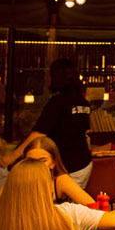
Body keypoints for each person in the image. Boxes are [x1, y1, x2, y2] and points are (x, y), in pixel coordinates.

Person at [28, 58, 93, 189]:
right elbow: (86, 130)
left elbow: (39, 133)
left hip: (66, 164)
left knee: (59, 200)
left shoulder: (58, 102)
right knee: (73, 199)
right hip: (83, 162)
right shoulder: (82, 101)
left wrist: (14, 155)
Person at [24, 137, 95, 205]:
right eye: (31, 161)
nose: (36, 165)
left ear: (53, 162)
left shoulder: (61, 180)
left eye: (43, 161)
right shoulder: (21, 179)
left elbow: (92, 206)